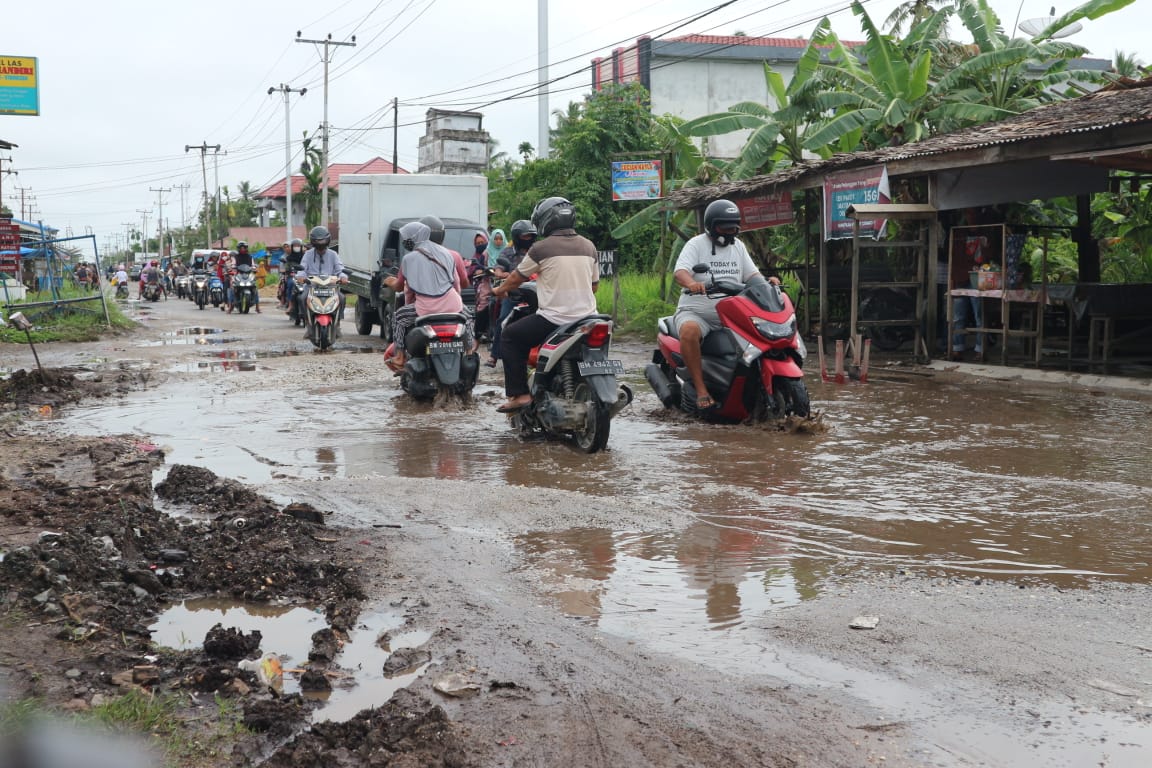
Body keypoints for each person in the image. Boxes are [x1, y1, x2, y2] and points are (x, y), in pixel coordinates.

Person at [491, 197, 599, 413]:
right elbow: (594, 287)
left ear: (545, 221)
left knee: (510, 336)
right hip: (589, 318)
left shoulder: (540, 248)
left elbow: (516, 278)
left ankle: (520, 395)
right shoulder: (589, 246)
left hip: (554, 319)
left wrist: (499, 290)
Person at [672, 199, 771, 411]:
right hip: (698, 313)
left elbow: (752, 274)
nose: (729, 231)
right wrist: (692, 283)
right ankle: (701, 390)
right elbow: (680, 272)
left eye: (733, 227)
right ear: (711, 225)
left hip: (734, 313)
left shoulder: (739, 246)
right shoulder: (696, 244)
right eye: (724, 227)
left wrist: (767, 283)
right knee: (689, 332)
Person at [383, 220, 470, 372]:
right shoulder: (447, 253)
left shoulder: (408, 259)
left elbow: (405, 289)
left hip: (426, 309)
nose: (405, 242)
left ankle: (400, 356)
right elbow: (455, 283)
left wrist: (390, 282)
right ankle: (469, 351)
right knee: (468, 317)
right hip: (453, 304)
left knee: (399, 317)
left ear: (414, 238)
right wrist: (458, 302)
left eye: (406, 238)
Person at [489, 219, 538, 368]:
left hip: (536, 295)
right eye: (524, 236)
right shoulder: (508, 251)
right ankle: (494, 355)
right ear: (517, 236)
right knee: (503, 319)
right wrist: (504, 275)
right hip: (514, 294)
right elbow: (498, 269)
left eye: (530, 236)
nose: (528, 239)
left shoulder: (537, 251)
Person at [296, 226, 349, 337]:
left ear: (327, 240)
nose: (320, 243)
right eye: (317, 240)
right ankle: (308, 324)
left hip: (330, 287)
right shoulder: (308, 254)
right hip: (312, 287)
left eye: (322, 240)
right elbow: (302, 268)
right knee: (302, 298)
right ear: (312, 241)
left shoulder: (333, 255)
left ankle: (337, 324)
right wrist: (300, 277)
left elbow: (340, 268)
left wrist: (343, 277)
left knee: (342, 298)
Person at [468, 231, 495, 342]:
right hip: (483, 286)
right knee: (482, 306)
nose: (480, 245)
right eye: (478, 243)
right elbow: (472, 270)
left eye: (482, 242)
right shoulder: (477, 257)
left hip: (499, 284)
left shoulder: (495, 252)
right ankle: (479, 333)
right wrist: (480, 270)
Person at [228, 241, 260, 313]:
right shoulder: (235, 257)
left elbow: (253, 265)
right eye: (241, 248)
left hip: (248, 275)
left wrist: (255, 268)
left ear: (246, 248)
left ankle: (257, 307)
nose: (242, 249)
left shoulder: (250, 257)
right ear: (238, 249)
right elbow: (233, 264)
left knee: (255, 287)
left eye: (244, 248)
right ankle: (230, 307)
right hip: (238, 275)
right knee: (232, 288)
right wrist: (232, 268)